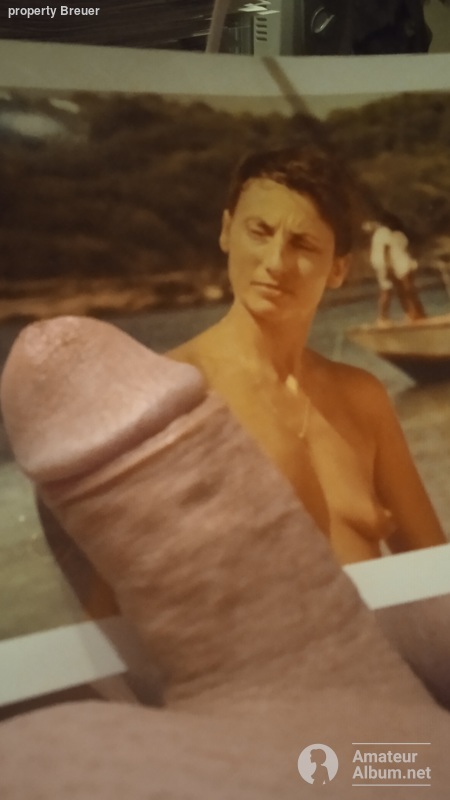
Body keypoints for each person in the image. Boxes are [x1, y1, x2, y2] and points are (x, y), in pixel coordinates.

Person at [169, 146, 445, 564]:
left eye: (302, 244)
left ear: (338, 269)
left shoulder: (361, 399)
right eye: (259, 232)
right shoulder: (175, 393)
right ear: (227, 231)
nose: (275, 262)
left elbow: (433, 572)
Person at [363, 219, 426, 325]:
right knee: (395, 290)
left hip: (391, 265)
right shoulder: (384, 233)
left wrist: (389, 266)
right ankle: (386, 318)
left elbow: (390, 249)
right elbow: (387, 250)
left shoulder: (387, 233)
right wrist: (389, 266)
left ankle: (412, 314)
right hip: (388, 265)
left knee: (399, 290)